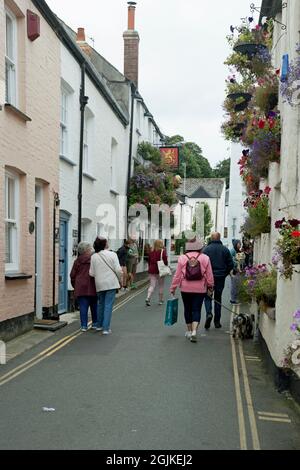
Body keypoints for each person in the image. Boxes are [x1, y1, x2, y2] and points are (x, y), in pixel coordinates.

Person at [170, 240, 214, 343]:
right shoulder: (205, 258)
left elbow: (177, 275)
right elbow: (209, 275)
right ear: (200, 247)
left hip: (185, 288)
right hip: (200, 288)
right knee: (197, 309)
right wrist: (210, 286)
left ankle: (189, 331)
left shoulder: (182, 258)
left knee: (188, 309)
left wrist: (173, 288)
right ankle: (194, 331)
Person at [90, 237, 123, 335]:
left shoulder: (94, 256)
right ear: (104, 244)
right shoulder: (113, 254)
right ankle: (106, 328)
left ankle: (99, 326)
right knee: (108, 305)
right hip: (111, 283)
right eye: (106, 242)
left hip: (99, 283)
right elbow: (118, 270)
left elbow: (91, 273)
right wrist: (120, 279)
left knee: (101, 304)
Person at [203, 232, 234, 330]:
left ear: (211, 239)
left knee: (208, 297)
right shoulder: (225, 250)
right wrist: (225, 273)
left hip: (209, 278)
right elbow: (231, 264)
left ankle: (208, 313)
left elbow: (202, 265)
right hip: (220, 277)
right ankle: (217, 322)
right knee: (218, 298)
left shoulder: (206, 250)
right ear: (219, 238)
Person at [70, 242, 98, 332]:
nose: (91, 250)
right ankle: (95, 324)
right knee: (94, 306)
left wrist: (75, 285)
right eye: (90, 248)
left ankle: (84, 326)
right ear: (87, 250)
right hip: (93, 286)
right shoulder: (94, 260)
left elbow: (72, 275)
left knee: (83, 306)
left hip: (81, 286)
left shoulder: (77, 261)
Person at [145, 240, 168, 307]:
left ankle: (148, 298)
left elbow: (149, 261)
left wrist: (150, 268)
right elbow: (165, 261)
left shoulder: (151, 252)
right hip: (160, 270)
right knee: (161, 285)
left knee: (152, 285)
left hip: (152, 270)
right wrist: (165, 265)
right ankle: (160, 300)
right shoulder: (162, 251)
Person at [230, 239, 245, 305]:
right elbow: (231, 260)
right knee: (234, 285)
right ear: (236, 244)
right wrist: (236, 263)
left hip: (237, 270)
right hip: (234, 270)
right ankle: (233, 300)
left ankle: (234, 299)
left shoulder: (237, 250)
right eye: (239, 243)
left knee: (236, 284)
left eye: (240, 243)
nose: (240, 244)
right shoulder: (233, 251)